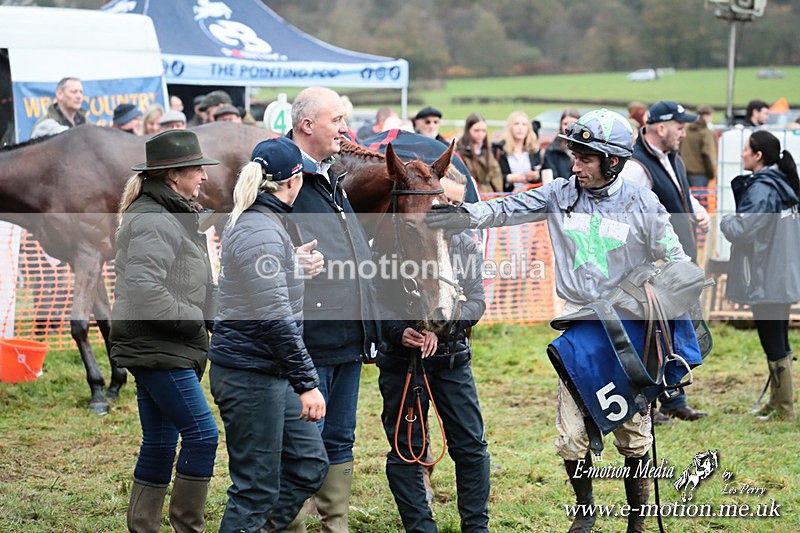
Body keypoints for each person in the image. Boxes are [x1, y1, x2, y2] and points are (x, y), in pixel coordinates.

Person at [427, 109, 691, 533]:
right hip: (577, 331)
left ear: (613, 161)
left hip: (627, 335)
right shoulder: (558, 193)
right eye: (575, 155)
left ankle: (637, 523)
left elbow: (678, 262)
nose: (575, 165)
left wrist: (656, 291)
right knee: (571, 436)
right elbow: (508, 207)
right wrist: (464, 214)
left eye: (585, 158)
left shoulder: (643, 203)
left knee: (633, 433)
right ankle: (584, 514)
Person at [208, 137, 330, 531]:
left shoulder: (264, 223)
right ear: (293, 181)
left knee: (310, 464)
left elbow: (261, 285)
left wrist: (293, 266)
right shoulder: (260, 229)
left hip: (268, 370)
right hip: (251, 375)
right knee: (255, 489)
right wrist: (307, 383)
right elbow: (274, 316)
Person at [110, 129, 221, 532]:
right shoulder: (154, 219)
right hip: (159, 347)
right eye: (197, 169)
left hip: (162, 345)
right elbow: (144, 290)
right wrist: (195, 320)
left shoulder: (169, 214)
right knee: (203, 436)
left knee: (159, 442)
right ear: (174, 175)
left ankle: (144, 527)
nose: (204, 177)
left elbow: (185, 281)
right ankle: (187, 526)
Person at [377, 169, 490, 532]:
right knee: (406, 449)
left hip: (452, 359)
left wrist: (447, 328)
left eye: (456, 203)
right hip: (402, 362)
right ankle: (421, 527)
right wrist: (400, 332)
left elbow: (476, 301)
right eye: (443, 202)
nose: (448, 210)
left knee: (471, 447)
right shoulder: (391, 242)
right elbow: (375, 301)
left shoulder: (466, 245)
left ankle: (476, 526)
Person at [284, 86, 376, 532]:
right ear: (307, 124)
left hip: (347, 338)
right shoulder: (281, 177)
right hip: (308, 342)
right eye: (337, 120)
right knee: (306, 439)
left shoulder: (328, 176)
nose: (346, 129)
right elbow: (251, 244)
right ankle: (293, 523)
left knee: (340, 437)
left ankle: (333, 523)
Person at [619, 100, 711, 424]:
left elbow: (682, 194)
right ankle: (650, 405)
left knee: (675, 333)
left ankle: (675, 398)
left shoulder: (673, 157)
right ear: (661, 128)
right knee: (656, 334)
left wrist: (698, 212)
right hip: (655, 270)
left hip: (678, 265)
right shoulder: (636, 167)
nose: (684, 132)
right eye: (680, 126)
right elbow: (632, 215)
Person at [720, 130, 800, 422]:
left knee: (773, 339)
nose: (741, 154)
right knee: (777, 336)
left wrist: (726, 220)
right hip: (781, 272)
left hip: (766, 274)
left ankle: (784, 408)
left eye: (745, 149)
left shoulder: (762, 189)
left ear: (758, 155)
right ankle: (779, 402)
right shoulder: (781, 184)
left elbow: (743, 230)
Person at [493, 110, 543, 192]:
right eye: (516, 124)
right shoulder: (499, 150)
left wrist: (535, 176)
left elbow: (541, 179)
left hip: (530, 198)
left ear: (528, 128)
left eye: (524, 124)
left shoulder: (534, 150)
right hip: (506, 197)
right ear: (510, 127)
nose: (520, 127)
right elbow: (491, 178)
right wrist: (509, 178)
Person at [456, 113, 503, 193]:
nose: (480, 134)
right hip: (471, 195)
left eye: (483, 131)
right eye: (476, 130)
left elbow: (496, 176)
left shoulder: (488, 151)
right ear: (468, 130)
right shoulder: (459, 153)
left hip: (490, 196)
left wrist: (499, 195)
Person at [680, 105, 718, 187]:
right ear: (706, 116)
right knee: (700, 199)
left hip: (684, 171)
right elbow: (708, 154)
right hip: (700, 173)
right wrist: (711, 173)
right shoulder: (706, 132)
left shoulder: (686, 130)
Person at [541, 108, 581, 180]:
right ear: (560, 126)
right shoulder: (552, 150)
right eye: (565, 124)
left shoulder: (587, 149)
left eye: (573, 123)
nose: (569, 127)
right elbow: (550, 179)